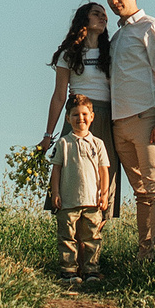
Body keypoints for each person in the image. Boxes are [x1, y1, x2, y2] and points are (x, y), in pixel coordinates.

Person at [103, 0, 155, 256]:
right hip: (120, 123)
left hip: (147, 118)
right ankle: (144, 254)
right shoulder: (117, 37)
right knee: (141, 193)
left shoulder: (150, 27)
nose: (114, 1)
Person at [40, 1, 120, 215]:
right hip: (77, 118)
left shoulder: (111, 51)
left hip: (106, 117)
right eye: (97, 14)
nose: (104, 18)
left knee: (104, 177)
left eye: (105, 15)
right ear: (84, 19)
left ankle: (93, 240)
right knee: (72, 176)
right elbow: (58, 96)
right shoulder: (69, 54)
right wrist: (48, 135)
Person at [46, 95, 113, 286]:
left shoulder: (98, 143)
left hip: (92, 200)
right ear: (68, 118)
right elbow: (56, 170)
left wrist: (104, 194)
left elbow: (104, 171)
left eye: (84, 114)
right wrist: (56, 193)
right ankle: (68, 271)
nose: (80, 118)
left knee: (92, 237)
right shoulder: (63, 143)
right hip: (68, 201)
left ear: (92, 117)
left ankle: (92, 271)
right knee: (67, 237)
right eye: (75, 115)